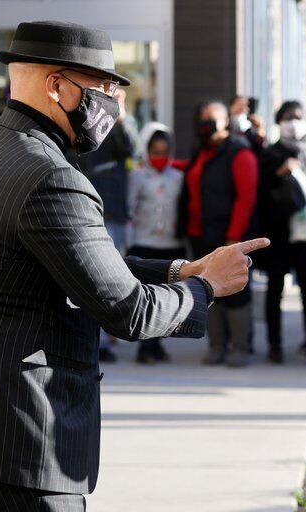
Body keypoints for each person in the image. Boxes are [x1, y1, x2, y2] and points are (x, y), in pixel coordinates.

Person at [0, 21, 268, 511]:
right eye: (103, 89)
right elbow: (129, 312)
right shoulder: (51, 174)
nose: (113, 105)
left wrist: (182, 270)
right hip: (12, 438)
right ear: (57, 86)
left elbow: (85, 260)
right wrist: (207, 286)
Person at [179, 99, 258, 367]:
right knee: (208, 290)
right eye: (202, 118)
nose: (205, 123)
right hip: (200, 234)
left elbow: (246, 197)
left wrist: (234, 236)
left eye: (211, 118)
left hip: (228, 235)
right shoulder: (200, 150)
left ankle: (240, 347)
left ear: (226, 121)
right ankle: (216, 345)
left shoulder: (239, 152)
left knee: (235, 290)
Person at [258, 100, 306, 365]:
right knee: (275, 290)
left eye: (298, 117)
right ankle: (274, 345)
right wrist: (279, 173)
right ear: (279, 122)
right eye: (288, 117)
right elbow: (261, 194)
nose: (294, 122)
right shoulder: (270, 154)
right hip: (279, 235)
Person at [78, 88, 136, 362]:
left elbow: (131, 150)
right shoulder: (83, 120)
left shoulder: (119, 126)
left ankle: (109, 338)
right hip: (86, 208)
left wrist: (121, 117)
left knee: (113, 275)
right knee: (90, 275)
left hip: (111, 210)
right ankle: (97, 339)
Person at [128, 122, 186, 364]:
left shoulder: (178, 177)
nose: (160, 157)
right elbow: (130, 208)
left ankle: (158, 343)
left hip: (171, 243)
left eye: (164, 153)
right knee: (146, 298)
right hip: (145, 241)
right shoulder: (138, 176)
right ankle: (145, 347)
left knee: (166, 298)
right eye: (155, 152)